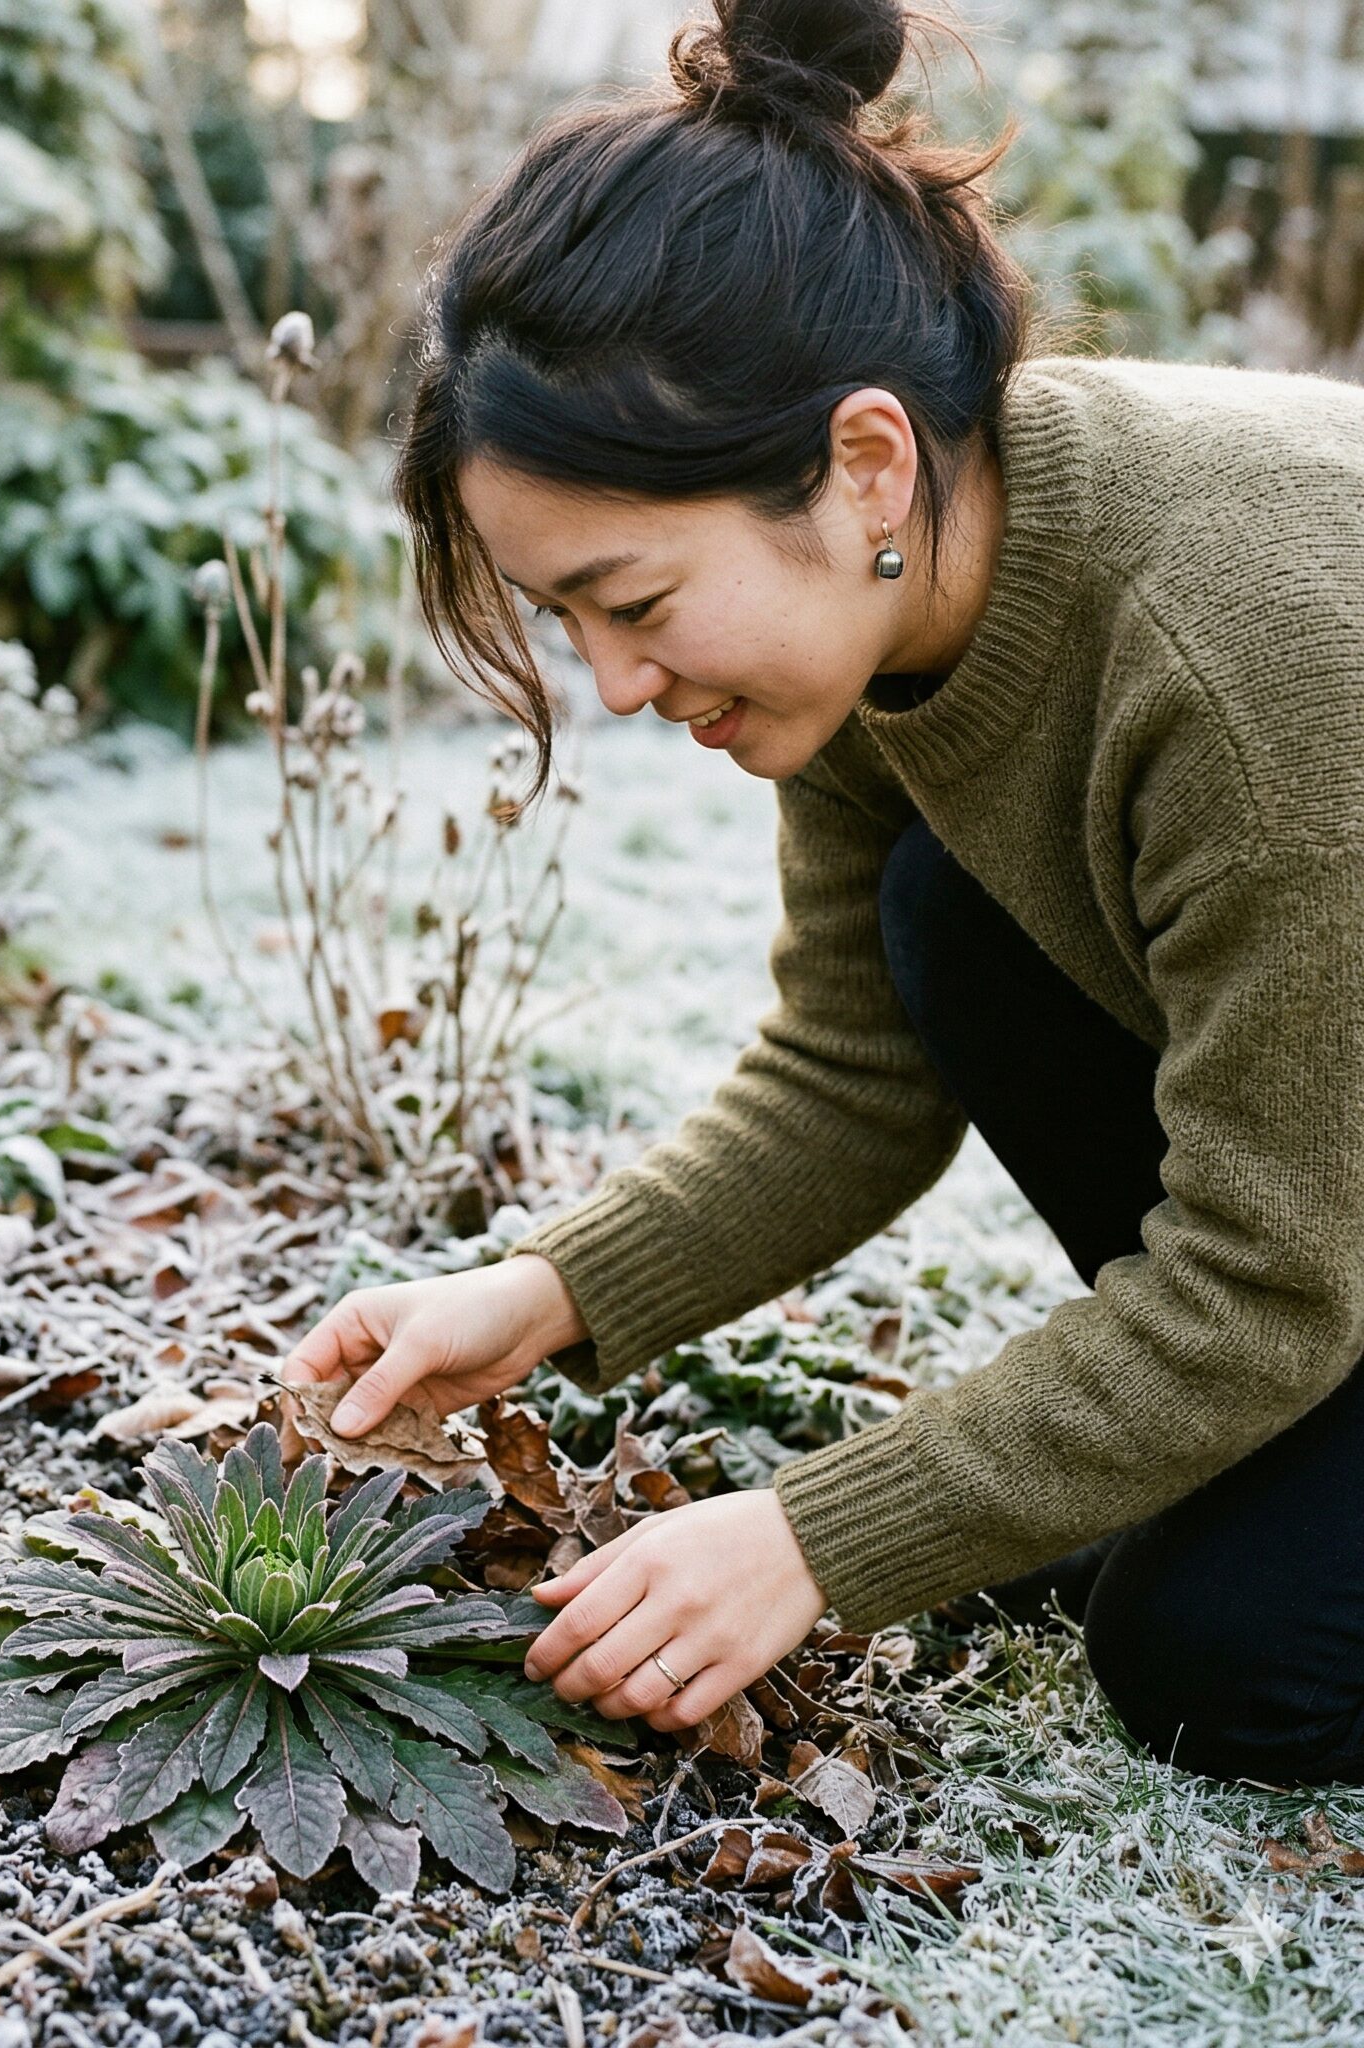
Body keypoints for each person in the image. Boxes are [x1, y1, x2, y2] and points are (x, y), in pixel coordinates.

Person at [284, 0, 1364, 1788]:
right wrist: (539, 1292)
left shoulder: (1254, 666)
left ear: (863, 462)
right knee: (940, 916)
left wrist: (809, 1538)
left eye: (635, 602)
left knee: (1223, 1667)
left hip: (1315, 1244)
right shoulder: (886, 613)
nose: (618, 686)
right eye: (571, 625)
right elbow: (847, 1081)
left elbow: (1269, 1279)